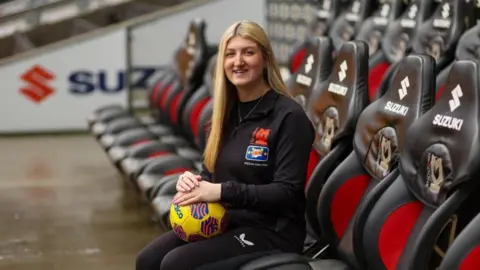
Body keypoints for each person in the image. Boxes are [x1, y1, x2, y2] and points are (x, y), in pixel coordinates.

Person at [136, 20, 315, 270]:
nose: (238, 61)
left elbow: (287, 193)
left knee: (176, 264)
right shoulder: (222, 114)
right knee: (147, 260)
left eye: (248, 52)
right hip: (226, 220)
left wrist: (221, 191)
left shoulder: (289, 116)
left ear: (265, 59)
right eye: (230, 54)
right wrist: (194, 184)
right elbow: (211, 175)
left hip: (272, 230)